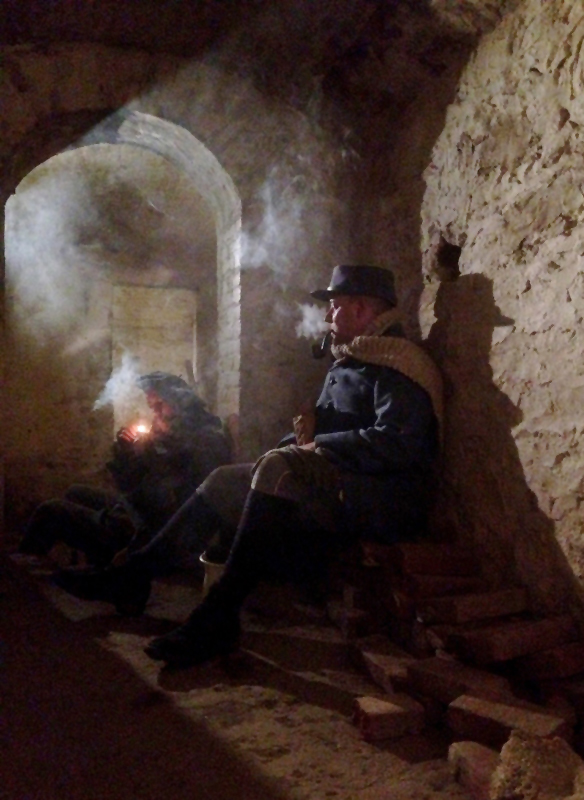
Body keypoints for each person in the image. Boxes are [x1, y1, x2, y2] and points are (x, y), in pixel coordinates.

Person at [56, 265, 443, 666]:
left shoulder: (398, 363)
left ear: (361, 310)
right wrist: (287, 449)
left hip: (383, 496)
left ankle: (217, 618)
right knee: (227, 480)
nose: (327, 317)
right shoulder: (357, 359)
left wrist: (312, 450)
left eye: (334, 307)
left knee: (276, 472)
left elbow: (399, 444)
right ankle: (134, 576)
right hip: (343, 478)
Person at [20, 372, 232, 567]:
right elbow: (131, 486)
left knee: (51, 511)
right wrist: (126, 453)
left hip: (160, 529)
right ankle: (101, 560)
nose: (155, 412)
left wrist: (147, 453)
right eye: (153, 407)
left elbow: (173, 495)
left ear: (179, 402)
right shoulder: (171, 432)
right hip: (140, 511)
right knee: (75, 492)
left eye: (160, 405)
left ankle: (24, 576)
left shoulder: (206, 436)